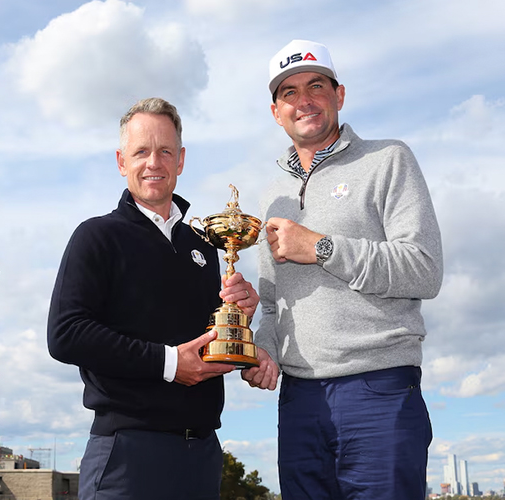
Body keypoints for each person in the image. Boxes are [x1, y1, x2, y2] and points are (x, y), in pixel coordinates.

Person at [241, 40, 444, 499]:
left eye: (316, 85)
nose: (304, 100)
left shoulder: (389, 159)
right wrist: (263, 350)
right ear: (276, 112)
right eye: (289, 93)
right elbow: (274, 304)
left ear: (339, 95)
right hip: (298, 401)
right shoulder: (272, 194)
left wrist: (322, 247)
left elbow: (424, 269)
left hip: (378, 389)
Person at [47, 97, 259, 500]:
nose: (153, 162)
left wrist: (244, 331)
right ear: (121, 161)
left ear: (180, 160)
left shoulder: (204, 245)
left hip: (202, 454)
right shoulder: (96, 236)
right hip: (128, 454)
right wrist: (169, 363)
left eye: (165, 151)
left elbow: (203, 343)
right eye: (141, 151)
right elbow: (65, 334)